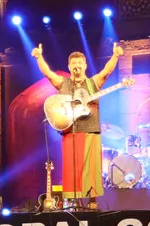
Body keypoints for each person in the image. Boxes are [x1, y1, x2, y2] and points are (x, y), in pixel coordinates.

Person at [32, 42, 124, 205]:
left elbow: (106, 72)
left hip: (91, 130)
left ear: (85, 66)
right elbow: (48, 74)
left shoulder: (93, 83)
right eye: (73, 63)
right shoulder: (63, 83)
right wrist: (39, 57)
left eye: (80, 63)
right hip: (70, 130)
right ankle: (72, 201)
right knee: (71, 167)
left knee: (91, 167)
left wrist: (115, 56)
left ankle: (92, 201)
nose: (77, 65)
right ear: (69, 66)